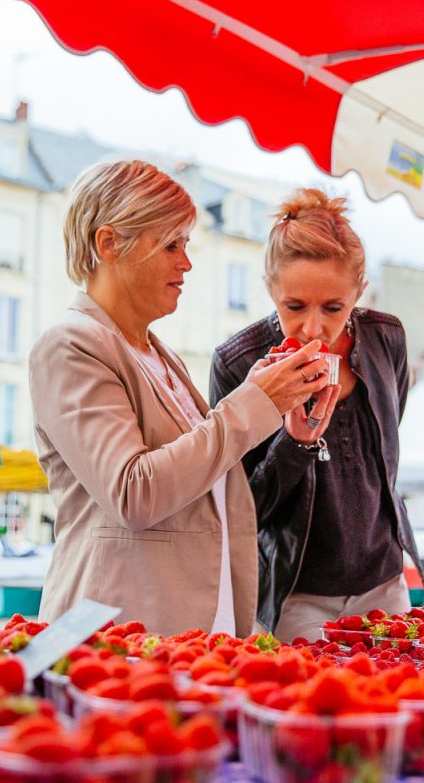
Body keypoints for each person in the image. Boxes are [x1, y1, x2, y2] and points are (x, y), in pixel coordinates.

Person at [29, 160, 331, 635]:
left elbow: (199, 475)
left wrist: (268, 404)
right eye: (171, 244)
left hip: (189, 634)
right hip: (123, 639)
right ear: (109, 243)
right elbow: (134, 492)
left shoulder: (159, 354)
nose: (186, 263)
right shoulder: (71, 345)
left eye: (185, 245)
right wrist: (254, 403)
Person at [209, 189, 424, 642]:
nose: (312, 328)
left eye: (333, 308)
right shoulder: (237, 361)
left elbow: (387, 450)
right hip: (296, 594)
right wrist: (295, 444)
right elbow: (242, 508)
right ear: (271, 291)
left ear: (359, 293)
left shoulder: (387, 340)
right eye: (294, 307)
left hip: (385, 583)